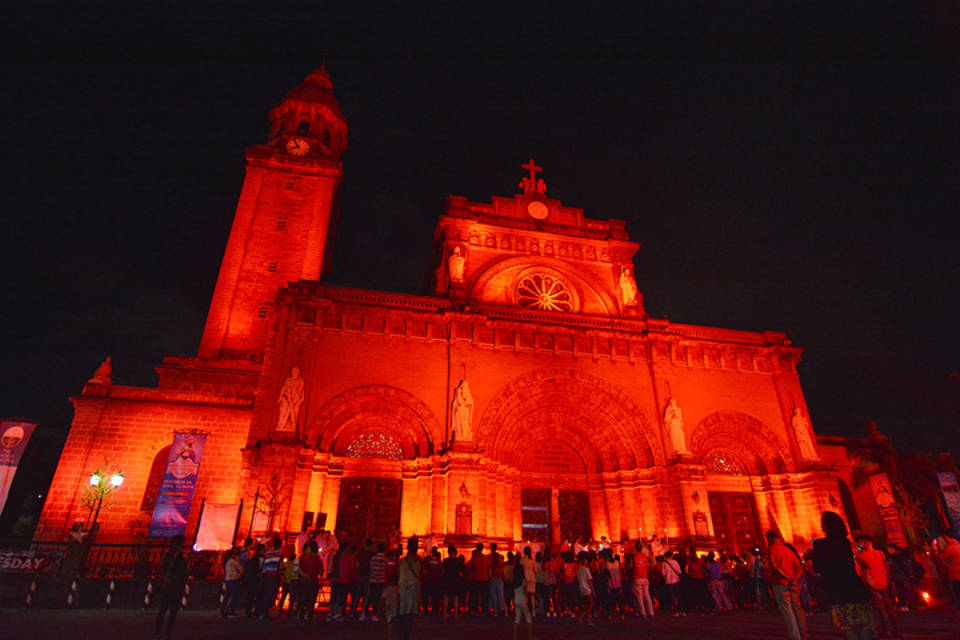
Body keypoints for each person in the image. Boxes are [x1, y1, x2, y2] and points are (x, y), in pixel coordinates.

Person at [813, 511, 875, 640]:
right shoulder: (845, 542)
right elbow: (849, 566)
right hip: (855, 588)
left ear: (826, 526)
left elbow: (817, 568)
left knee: (849, 628)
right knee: (865, 626)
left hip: (837, 592)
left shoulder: (820, 545)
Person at [855, 533, 900, 637]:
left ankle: (887, 630)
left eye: (860, 543)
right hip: (884, 582)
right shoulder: (880, 553)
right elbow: (886, 567)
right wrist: (888, 579)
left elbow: (859, 572)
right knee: (889, 608)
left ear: (865, 543)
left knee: (881, 609)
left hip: (873, 584)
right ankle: (896, 629)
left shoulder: (860, 556)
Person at [767, 530, 808, 640]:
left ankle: (795, 636)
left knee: (787, 610)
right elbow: (799, 567)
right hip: (793, 583)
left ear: (770, 538)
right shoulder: (788, 550)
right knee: (798, 609)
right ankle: (804, 635)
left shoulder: (772, 550)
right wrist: (794, 578)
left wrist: (786, 576)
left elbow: (773, 565)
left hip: (780, 583)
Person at [154, 534, 187, 640]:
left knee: (163, 609)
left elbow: (163, 567)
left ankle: (158, 631)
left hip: (166, 584)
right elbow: (181, 572)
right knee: (173, 611)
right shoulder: (179, 556)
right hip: (175, 586)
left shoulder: (167, 554)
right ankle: (167, 632)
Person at [396, 536, 422, 640]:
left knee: (402, 613)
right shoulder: (419, 561)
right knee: (410, 615)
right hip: (414, 589)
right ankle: (406, 635)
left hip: (403, 589)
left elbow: (398, 573)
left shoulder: (402, 562)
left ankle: (400, 634)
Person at [298, 541, 323, 620]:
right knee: (311, 599)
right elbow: (321, 571)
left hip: (305, 580)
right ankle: (309, 615)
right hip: (313, 580)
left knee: (303, 598)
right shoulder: (318, 559)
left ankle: (301, 614)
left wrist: (305, 575)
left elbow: (300, 570)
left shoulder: (304, 558)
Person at [935, 535, 960, 608]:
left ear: (947, 537)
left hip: (956, 574)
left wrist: (935, 550)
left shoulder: (950, 548)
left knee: (957, 591)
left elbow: (940, 558)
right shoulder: (958, 545)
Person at [632, 542, 654, 617]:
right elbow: (647, 566)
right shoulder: (644, 557)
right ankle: (651, 612)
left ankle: (642, 612)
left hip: (637, 577)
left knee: (639, 596)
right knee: (647, 595)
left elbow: (633, 566)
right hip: (645, 577)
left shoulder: (635, 557)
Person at [221, 548, 243, 617]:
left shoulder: (226, 562)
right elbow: (241, 569)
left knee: (228, 595)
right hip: (233, 579)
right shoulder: (233, 562)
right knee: (233, 595)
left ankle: (224, 609)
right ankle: (230, 610)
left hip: (228, 579)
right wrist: (239, 576)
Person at [380, 573, 400, 640]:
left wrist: (381, 608)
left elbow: (382, 598)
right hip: (395, 609)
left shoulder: (387, 589)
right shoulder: (398, 590)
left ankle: (390, 637)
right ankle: (395, 636)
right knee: (396, 624)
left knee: (389, 624)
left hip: (388, 609)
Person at [576, 551, 594, 626]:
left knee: (586, 604)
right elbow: (589, 581)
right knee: (590, 604)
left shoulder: (579, 569)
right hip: (586, 589)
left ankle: (583, 617)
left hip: (581, 588)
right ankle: (585, 618)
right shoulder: (586, 569)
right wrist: (593, 590)